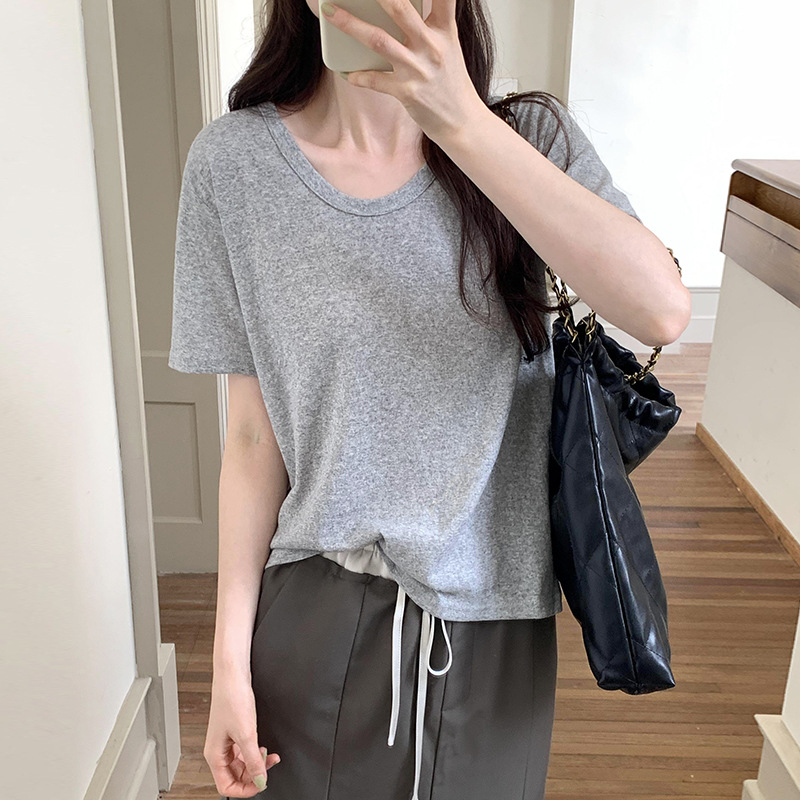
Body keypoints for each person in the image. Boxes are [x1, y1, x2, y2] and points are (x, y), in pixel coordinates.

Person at [167, 1, 690, 798]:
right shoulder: (233, 167)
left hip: (496, 624)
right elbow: (250, 439)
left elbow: (661, 310)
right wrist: (227, 668)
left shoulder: (526, 138)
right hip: (314, 610)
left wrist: (461, 123)